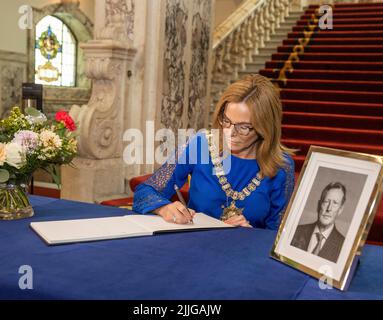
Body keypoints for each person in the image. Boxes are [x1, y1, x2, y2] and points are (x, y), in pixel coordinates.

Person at [133, 74, 296, 229]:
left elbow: (278, 236)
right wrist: (164, 208)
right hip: (196, 247)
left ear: (265, 128)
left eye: (244, 127)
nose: (230, 132)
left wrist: (251, 233)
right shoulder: (201, 144)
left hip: (245, 254)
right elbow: (145, 192)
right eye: (226, 121)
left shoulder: (281, 167)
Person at [291, 182, 346, 263]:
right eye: (326, 201)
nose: (329, 208)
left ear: (340, 210)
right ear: (319, 205)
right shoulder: (296, 231)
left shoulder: (344, 246)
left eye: (335, 203)